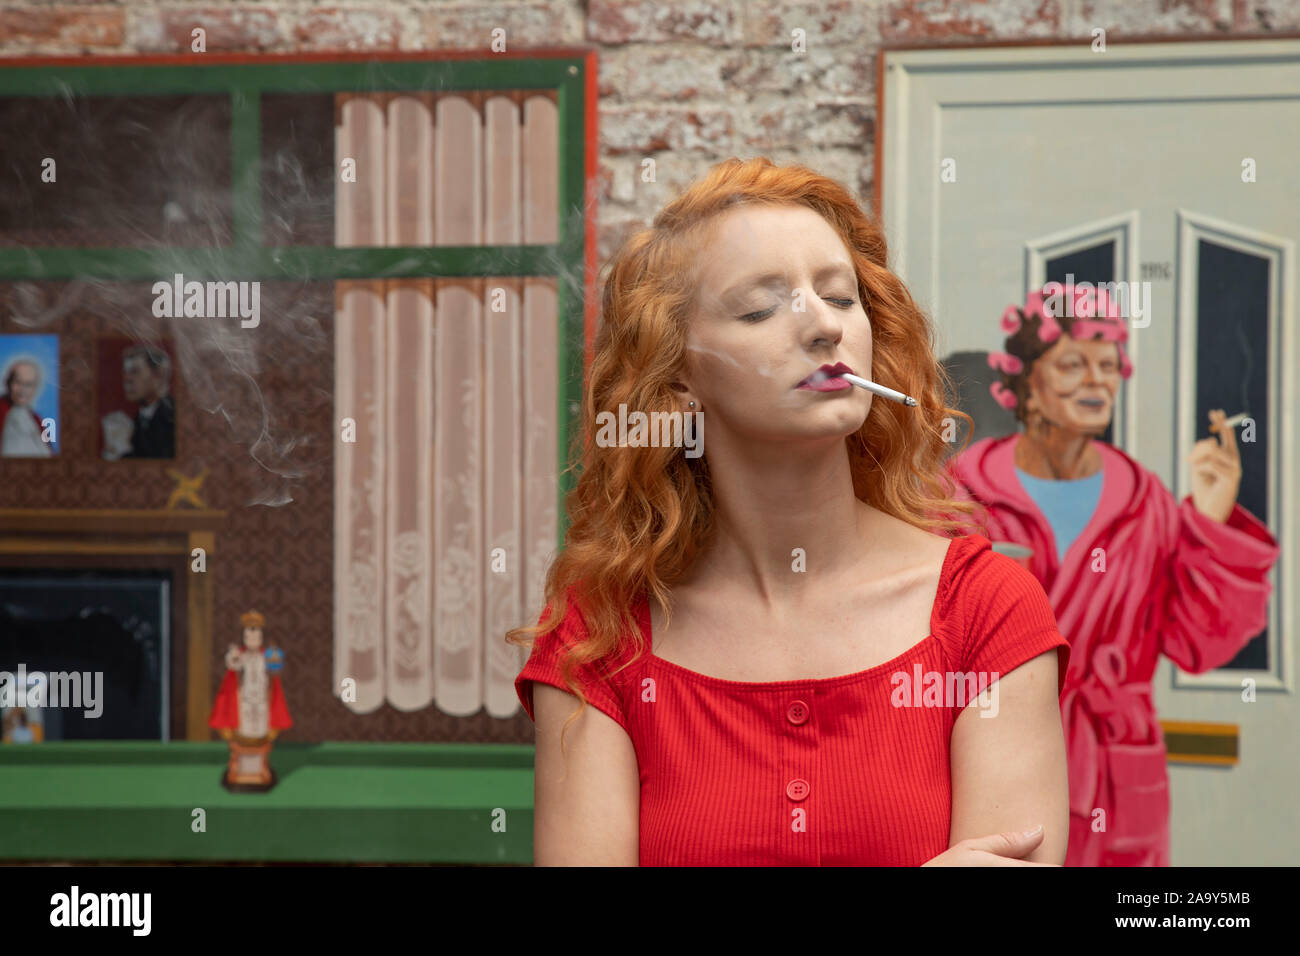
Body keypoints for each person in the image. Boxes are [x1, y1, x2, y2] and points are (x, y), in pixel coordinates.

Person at [509, 157, 1071, 866]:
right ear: (678, 376)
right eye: (760, 308)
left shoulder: (987, 613)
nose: (823, 330)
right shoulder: (603, 634)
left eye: (840, 298)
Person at [947, 284, 1279, 866]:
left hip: (1118, 774)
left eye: (1108, 365)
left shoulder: (1144, 501)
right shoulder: (963, 493)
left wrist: (1211, 517)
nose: (1097, 380)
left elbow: (1199, 642)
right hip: (994, 750)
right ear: (1026, 384)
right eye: (1074, 363)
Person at [209, 610, 292, 742]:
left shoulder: (266, 656)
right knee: (243, 728)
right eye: (249, 636)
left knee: (262, 727)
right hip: (245, 699)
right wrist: (234, 656)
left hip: (261, 698)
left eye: (256, 636)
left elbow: (274, 671)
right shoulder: (241, 655)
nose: (253, 639)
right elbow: (232, 665)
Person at [104, 345, 175, 459]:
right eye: (125, 372)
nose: (126, 378)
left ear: (158, 375)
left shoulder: (176, 419)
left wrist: (120, 451)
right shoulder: (136, 422)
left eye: (135, 371)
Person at [1, 358, 52, 457]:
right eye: (18, 382)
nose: (22, 390)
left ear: (35, 389)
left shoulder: (36, 419)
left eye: (28, 385)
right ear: (8, 383)